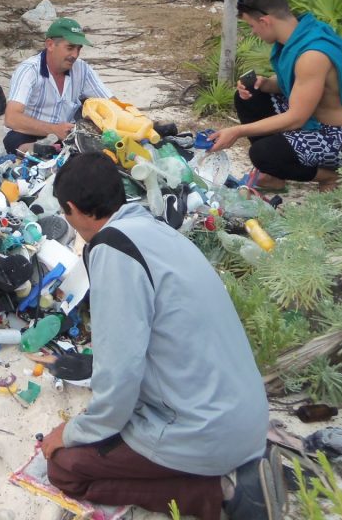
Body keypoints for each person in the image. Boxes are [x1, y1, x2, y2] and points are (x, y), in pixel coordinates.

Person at [40, 152, 284, 520]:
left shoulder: (112, 250)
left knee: (66, 467)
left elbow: (119, 380)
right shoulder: (155, 230)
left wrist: (70, 433)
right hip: (248, 420)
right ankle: (231, 475)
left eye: (65, 213)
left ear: (73, 208)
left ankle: (226, 494)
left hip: (204, 432)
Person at [210, 0, 342, 191]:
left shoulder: (312, 55)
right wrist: (265, 84)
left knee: (264, 154)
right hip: (319, 121)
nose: (254, 32)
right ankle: (274, 177)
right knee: (249, 96)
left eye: (252, 26)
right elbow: (297, 84)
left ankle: (331, 177)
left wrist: (237, 131)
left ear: (265, 21)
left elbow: (297, 117)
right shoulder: (300, 34)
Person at [3, 17, 111, 155]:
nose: (75, 55)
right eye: (70, 48)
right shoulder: (29, 70)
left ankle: (55, 150)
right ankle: (41, 150)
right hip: (30, 132)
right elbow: (11, 118)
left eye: (79, 49)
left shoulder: (82, 68)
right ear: (50, 45)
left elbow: (110, 102)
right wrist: (54, 129)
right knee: (14, 142)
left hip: (68, 131)